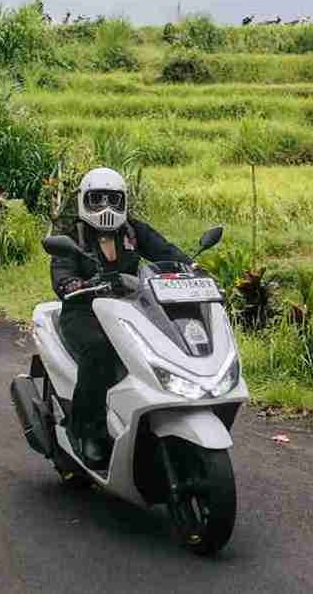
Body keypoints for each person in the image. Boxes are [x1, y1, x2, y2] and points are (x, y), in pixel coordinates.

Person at [49, 167, 192, 467]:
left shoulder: (133, 231)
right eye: (97, 199)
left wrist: (190, 268)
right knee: (99, 352)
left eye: (112, 199)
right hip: (84, 312)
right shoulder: (72, 236)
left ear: (123, 201)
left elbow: (166, 252)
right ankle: (87, 431)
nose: (105, 207)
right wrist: (71, 283)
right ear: (84, 201)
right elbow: (61, 271)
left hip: (130, 309)